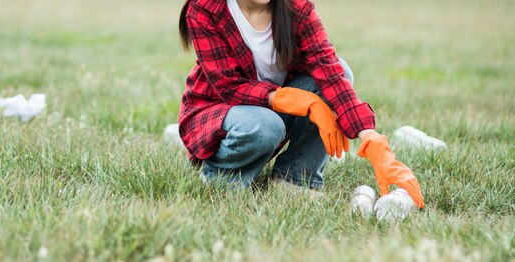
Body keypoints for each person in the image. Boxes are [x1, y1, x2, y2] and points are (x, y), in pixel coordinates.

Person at [177, 0, 424, 208]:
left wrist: (370, 137)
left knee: (341, 72)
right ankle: (221, 177)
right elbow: (228, 85)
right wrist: (296, 100)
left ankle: (294, 179)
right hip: (219, 113)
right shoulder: (205, 8)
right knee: (266, 126)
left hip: (268, 111)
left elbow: (329, 71)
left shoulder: (296, 7)